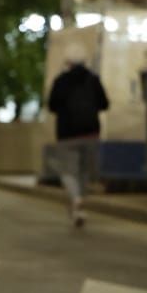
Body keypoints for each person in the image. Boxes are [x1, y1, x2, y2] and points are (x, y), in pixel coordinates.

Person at [46, 52, 108, 228]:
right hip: (91, 132)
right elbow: (104, 104)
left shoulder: (61, 81)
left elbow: (52, 105)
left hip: (67, 134)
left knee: (68, 171)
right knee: (83, 172)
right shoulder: (93, 80)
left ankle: (76, 199)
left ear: (68, 62)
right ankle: (79, 209)